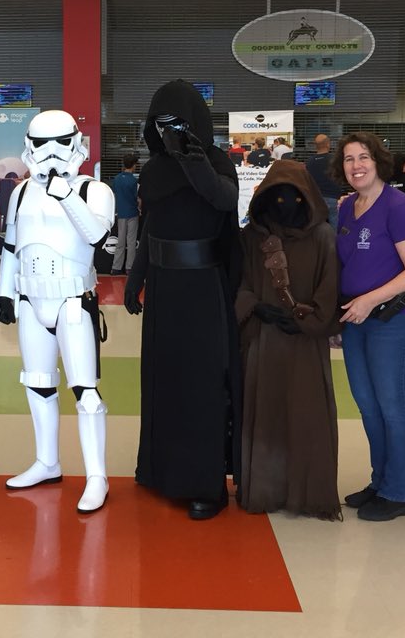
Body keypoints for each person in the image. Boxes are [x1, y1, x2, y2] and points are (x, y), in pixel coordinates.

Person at [124, 79, 242, 520]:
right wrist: (136, 278)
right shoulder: (154, 169)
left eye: (176, 121)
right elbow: (149, 227)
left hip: (203, 286)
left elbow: (224, 200)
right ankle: (160, 471)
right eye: (160, 123)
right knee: (164, 380)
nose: (168, 130)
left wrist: (194, 161)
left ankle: (205, 484)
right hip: (163, 287)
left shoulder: (216, 161)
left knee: (203, 384)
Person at [0, 109, 116, 513]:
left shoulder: (94, 190)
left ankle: (96, 476)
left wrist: (65, 193)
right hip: (31, 300)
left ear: (76, 142)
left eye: (60, 142)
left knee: (86, 392)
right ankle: (47, 462)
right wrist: (4, 295)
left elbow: (97, 236)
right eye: (41, 143)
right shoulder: (20, 192)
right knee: (38, 384)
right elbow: (11, 245)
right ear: (28, 144)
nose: (50, 152)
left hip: (73, 301)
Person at [235, 160, 342, 519]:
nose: (286, 205)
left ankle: (308, 494)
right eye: (277, 198)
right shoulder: (253, 238)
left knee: (305, 415)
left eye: (294, 198)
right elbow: (240, 282)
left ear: (306, 197)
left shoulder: (323, 236)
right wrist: (256, 307)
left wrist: (310, 321)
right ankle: (265, 489)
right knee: (266, 415)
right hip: (263, 341)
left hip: (305, 344)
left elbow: (330, 287)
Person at [333, 133, 405, 522]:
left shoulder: (398, 206)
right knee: (368, 404)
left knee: (393, 405)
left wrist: (370, 299)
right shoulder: (347, 207)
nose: (356, 166)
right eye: (348, 159)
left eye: (364, 157)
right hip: (357, 321)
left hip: (396, 321)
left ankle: (398, 493)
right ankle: (381, 481)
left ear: (378, 161)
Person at [110, 153, 139, 275]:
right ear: (133, 165)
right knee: (131, 242)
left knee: (120, 241)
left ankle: (116, 268)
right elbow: (137, 198)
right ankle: (129, 268)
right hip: (132, 213)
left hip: (121, 213)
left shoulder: (116, 179)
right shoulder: (134, 180)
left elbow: (114, 194)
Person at [305, 133, 342, 227]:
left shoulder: (310, 162)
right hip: (332, 197)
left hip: (315, 198)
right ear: (328, 144)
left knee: (317, 225)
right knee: (334, 222)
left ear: (316, 146)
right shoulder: (334, 160)